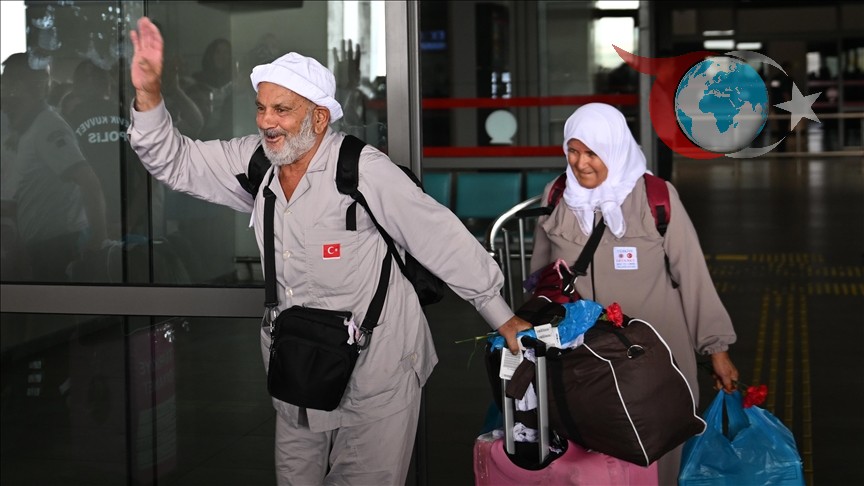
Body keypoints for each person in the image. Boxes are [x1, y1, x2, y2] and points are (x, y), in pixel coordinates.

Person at [126, 17, 531, 485]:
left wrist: (502, 317)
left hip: (377, 370)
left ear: (319, 117)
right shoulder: (256, 163)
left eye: (282, 109)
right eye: (261, 108)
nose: (266, 122)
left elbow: (439, 236)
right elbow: (175, 162)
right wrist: (150, 93)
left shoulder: (363, 170)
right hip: (298, 369)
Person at [529, 103, 739, 486]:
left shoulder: (655, 197)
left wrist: (716, 349)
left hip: (654, 359)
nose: (580, 163)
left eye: (593, 153)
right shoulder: (558, 195)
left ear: (615, 149)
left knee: (656, 456)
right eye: (573, 151)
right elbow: (540, 278)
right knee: (590, 458)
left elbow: (692, 276)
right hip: (582, 360)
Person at [1, 53, 108, 281]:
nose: (2, 89)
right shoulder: (25, 129)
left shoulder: (47, 127)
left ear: (21, 86)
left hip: (58, 245)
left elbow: (88, 181)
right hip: (37, 245)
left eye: (6, 81)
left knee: (55, 313)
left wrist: (97, 240)